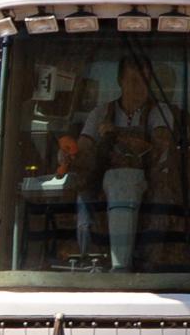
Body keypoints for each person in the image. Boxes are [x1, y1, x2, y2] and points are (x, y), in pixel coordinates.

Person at [65, 63, 176, 269]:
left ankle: (149, 265)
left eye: (145, 80)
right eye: (133, 80)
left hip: (149, 182)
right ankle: (87, 257)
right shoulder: (100, 112)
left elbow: (159, 144)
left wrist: (115, 134)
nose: (140, 86)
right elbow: (84, 148)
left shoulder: (159, 112)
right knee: (84, 198)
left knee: (159, 209)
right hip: (104, 183)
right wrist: (69, 154)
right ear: (120, 81)